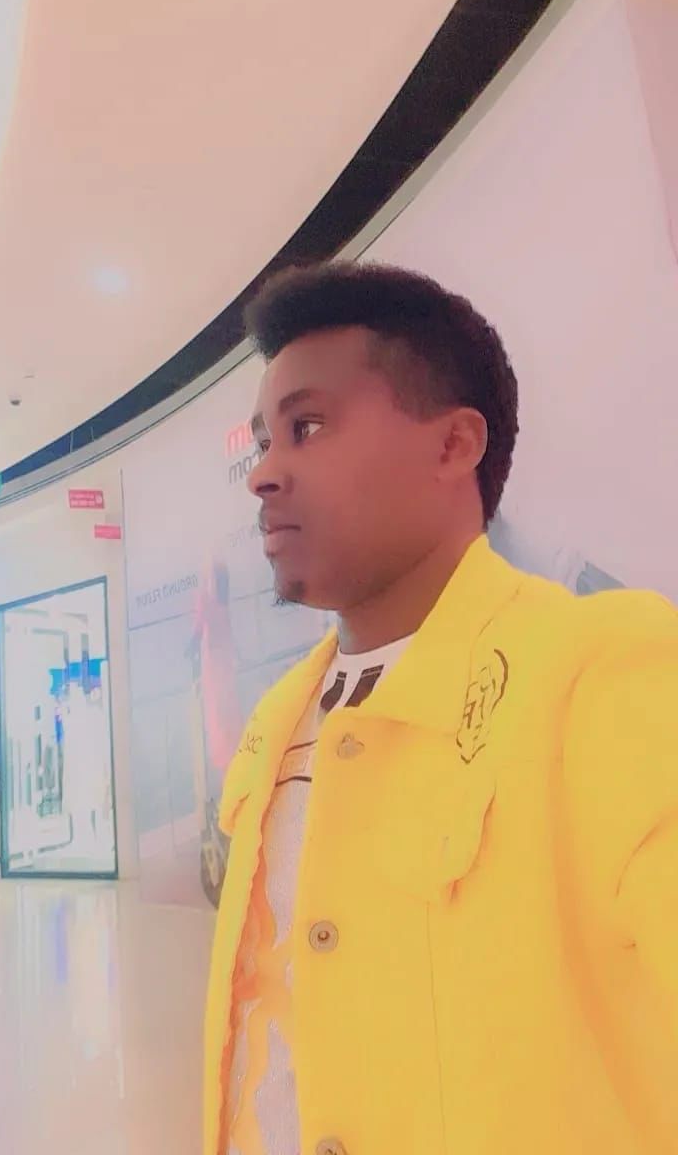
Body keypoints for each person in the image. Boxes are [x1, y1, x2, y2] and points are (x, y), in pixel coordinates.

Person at [203, 260, 678, 1155]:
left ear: (455, 446)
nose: (263, 473)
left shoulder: (602, 670)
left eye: (307, 427)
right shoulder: (276, 722)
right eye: (263, 442)